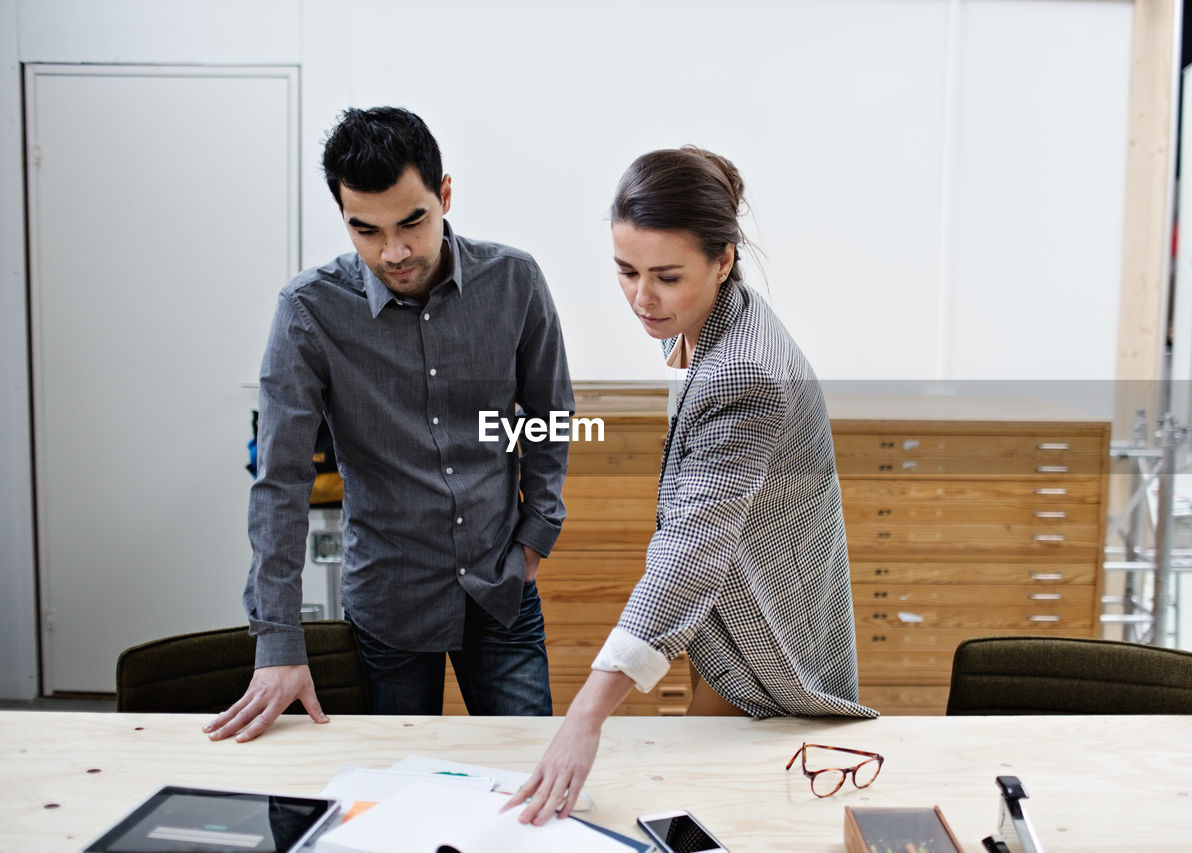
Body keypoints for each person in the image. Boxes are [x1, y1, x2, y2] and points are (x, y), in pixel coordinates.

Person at [505, 146, 876, 824]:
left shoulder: (746, 371)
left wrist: (586, 714)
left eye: (666, 276)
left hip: (766, 625)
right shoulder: (711, 317)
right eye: (626, 271)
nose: (642, 298)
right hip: (729, 609)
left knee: (735, 815)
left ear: (724, 259)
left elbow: (691, 551)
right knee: (709, 797)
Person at [204, 106, 573, 742]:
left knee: (527, 774)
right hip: (389, 601)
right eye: (366, 231)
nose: (394, 252)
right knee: (400, 788)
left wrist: (536, 532)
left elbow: (548, 415)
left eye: (412, 222)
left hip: (502, 588)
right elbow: (280, 481)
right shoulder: (309, 311)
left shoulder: (515, 281)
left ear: (445, 194)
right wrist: (278, 643)